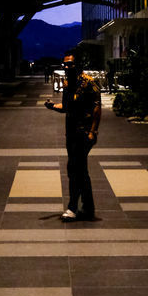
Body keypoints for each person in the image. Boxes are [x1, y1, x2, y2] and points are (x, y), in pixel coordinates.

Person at [44, 50, 101, 221]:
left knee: (75, 168)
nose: (67, 66)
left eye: (70, 63)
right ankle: (88, 207)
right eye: (65, 64)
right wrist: (53, 106)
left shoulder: (89, 83)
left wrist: (93, 131)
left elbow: (97, 109)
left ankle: (73, 208)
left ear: (78, 65)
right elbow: (67, 107)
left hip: (84, 133)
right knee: (80, 170)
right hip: (71, 133)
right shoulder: (69, 84)